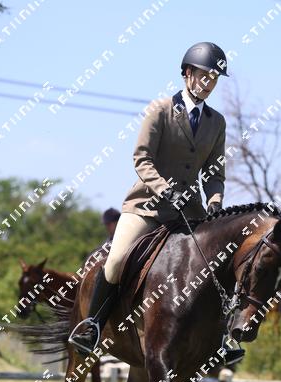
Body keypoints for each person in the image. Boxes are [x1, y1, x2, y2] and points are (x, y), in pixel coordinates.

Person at [68, 42, 244, 365]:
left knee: (218, 263)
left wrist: (215, 202)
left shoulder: (216, 122)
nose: (209, 83)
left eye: (215, 78)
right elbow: (142, 159)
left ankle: (221, 338)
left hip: (189, 212)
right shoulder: (160, 110)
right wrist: (166, 190)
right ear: (188, 73)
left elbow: (214, 174)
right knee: (116, 259)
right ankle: (91, 326)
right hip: (148, 205)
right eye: (205, 75)